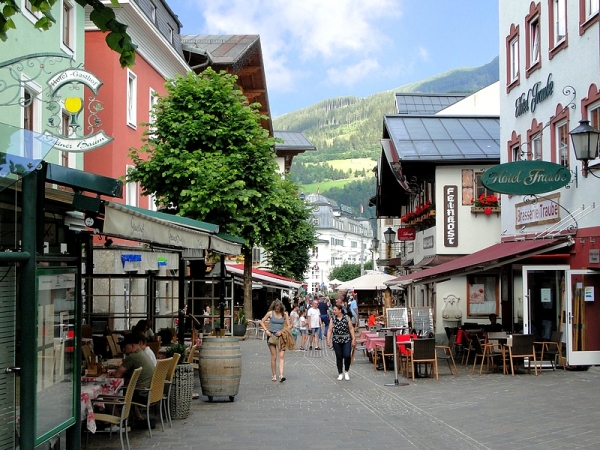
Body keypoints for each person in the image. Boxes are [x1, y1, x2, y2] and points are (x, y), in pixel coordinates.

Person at [112, 332, 155, 417]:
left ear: (132, 345)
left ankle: (118, 420)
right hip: (149, 392)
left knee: (106, 395)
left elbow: (117, 375)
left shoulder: (132, 357)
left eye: (125, 347)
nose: (123, 350)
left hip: (140, 394)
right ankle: (135, 416)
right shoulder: (143, 353)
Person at [260, 299, 290, 382]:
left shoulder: (284, 314)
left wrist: (282, 331)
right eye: (276, 309)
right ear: (274, 307)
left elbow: (289, 326)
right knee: (274, 356)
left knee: (281, 356)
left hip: (281, 336)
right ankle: (274, 375)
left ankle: (281, 375)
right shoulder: (270, 313)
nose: (277, 310)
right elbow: (262, 321)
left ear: (281, 308)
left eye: (279, 309)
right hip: (272, 335)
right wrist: (266, 330)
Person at [326, 304, 356, 380]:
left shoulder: (346, 318)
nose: (334, 311)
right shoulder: (333, 319)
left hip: (346, 339)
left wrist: (353, 338)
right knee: (339, 356)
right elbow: (330, 330)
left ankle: (346, 371)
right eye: (333, 310)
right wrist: (328, 339)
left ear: (340, 310)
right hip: (336, 340)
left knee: (346, 355)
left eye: (335, 310)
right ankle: (340, 373)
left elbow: (351, 328)